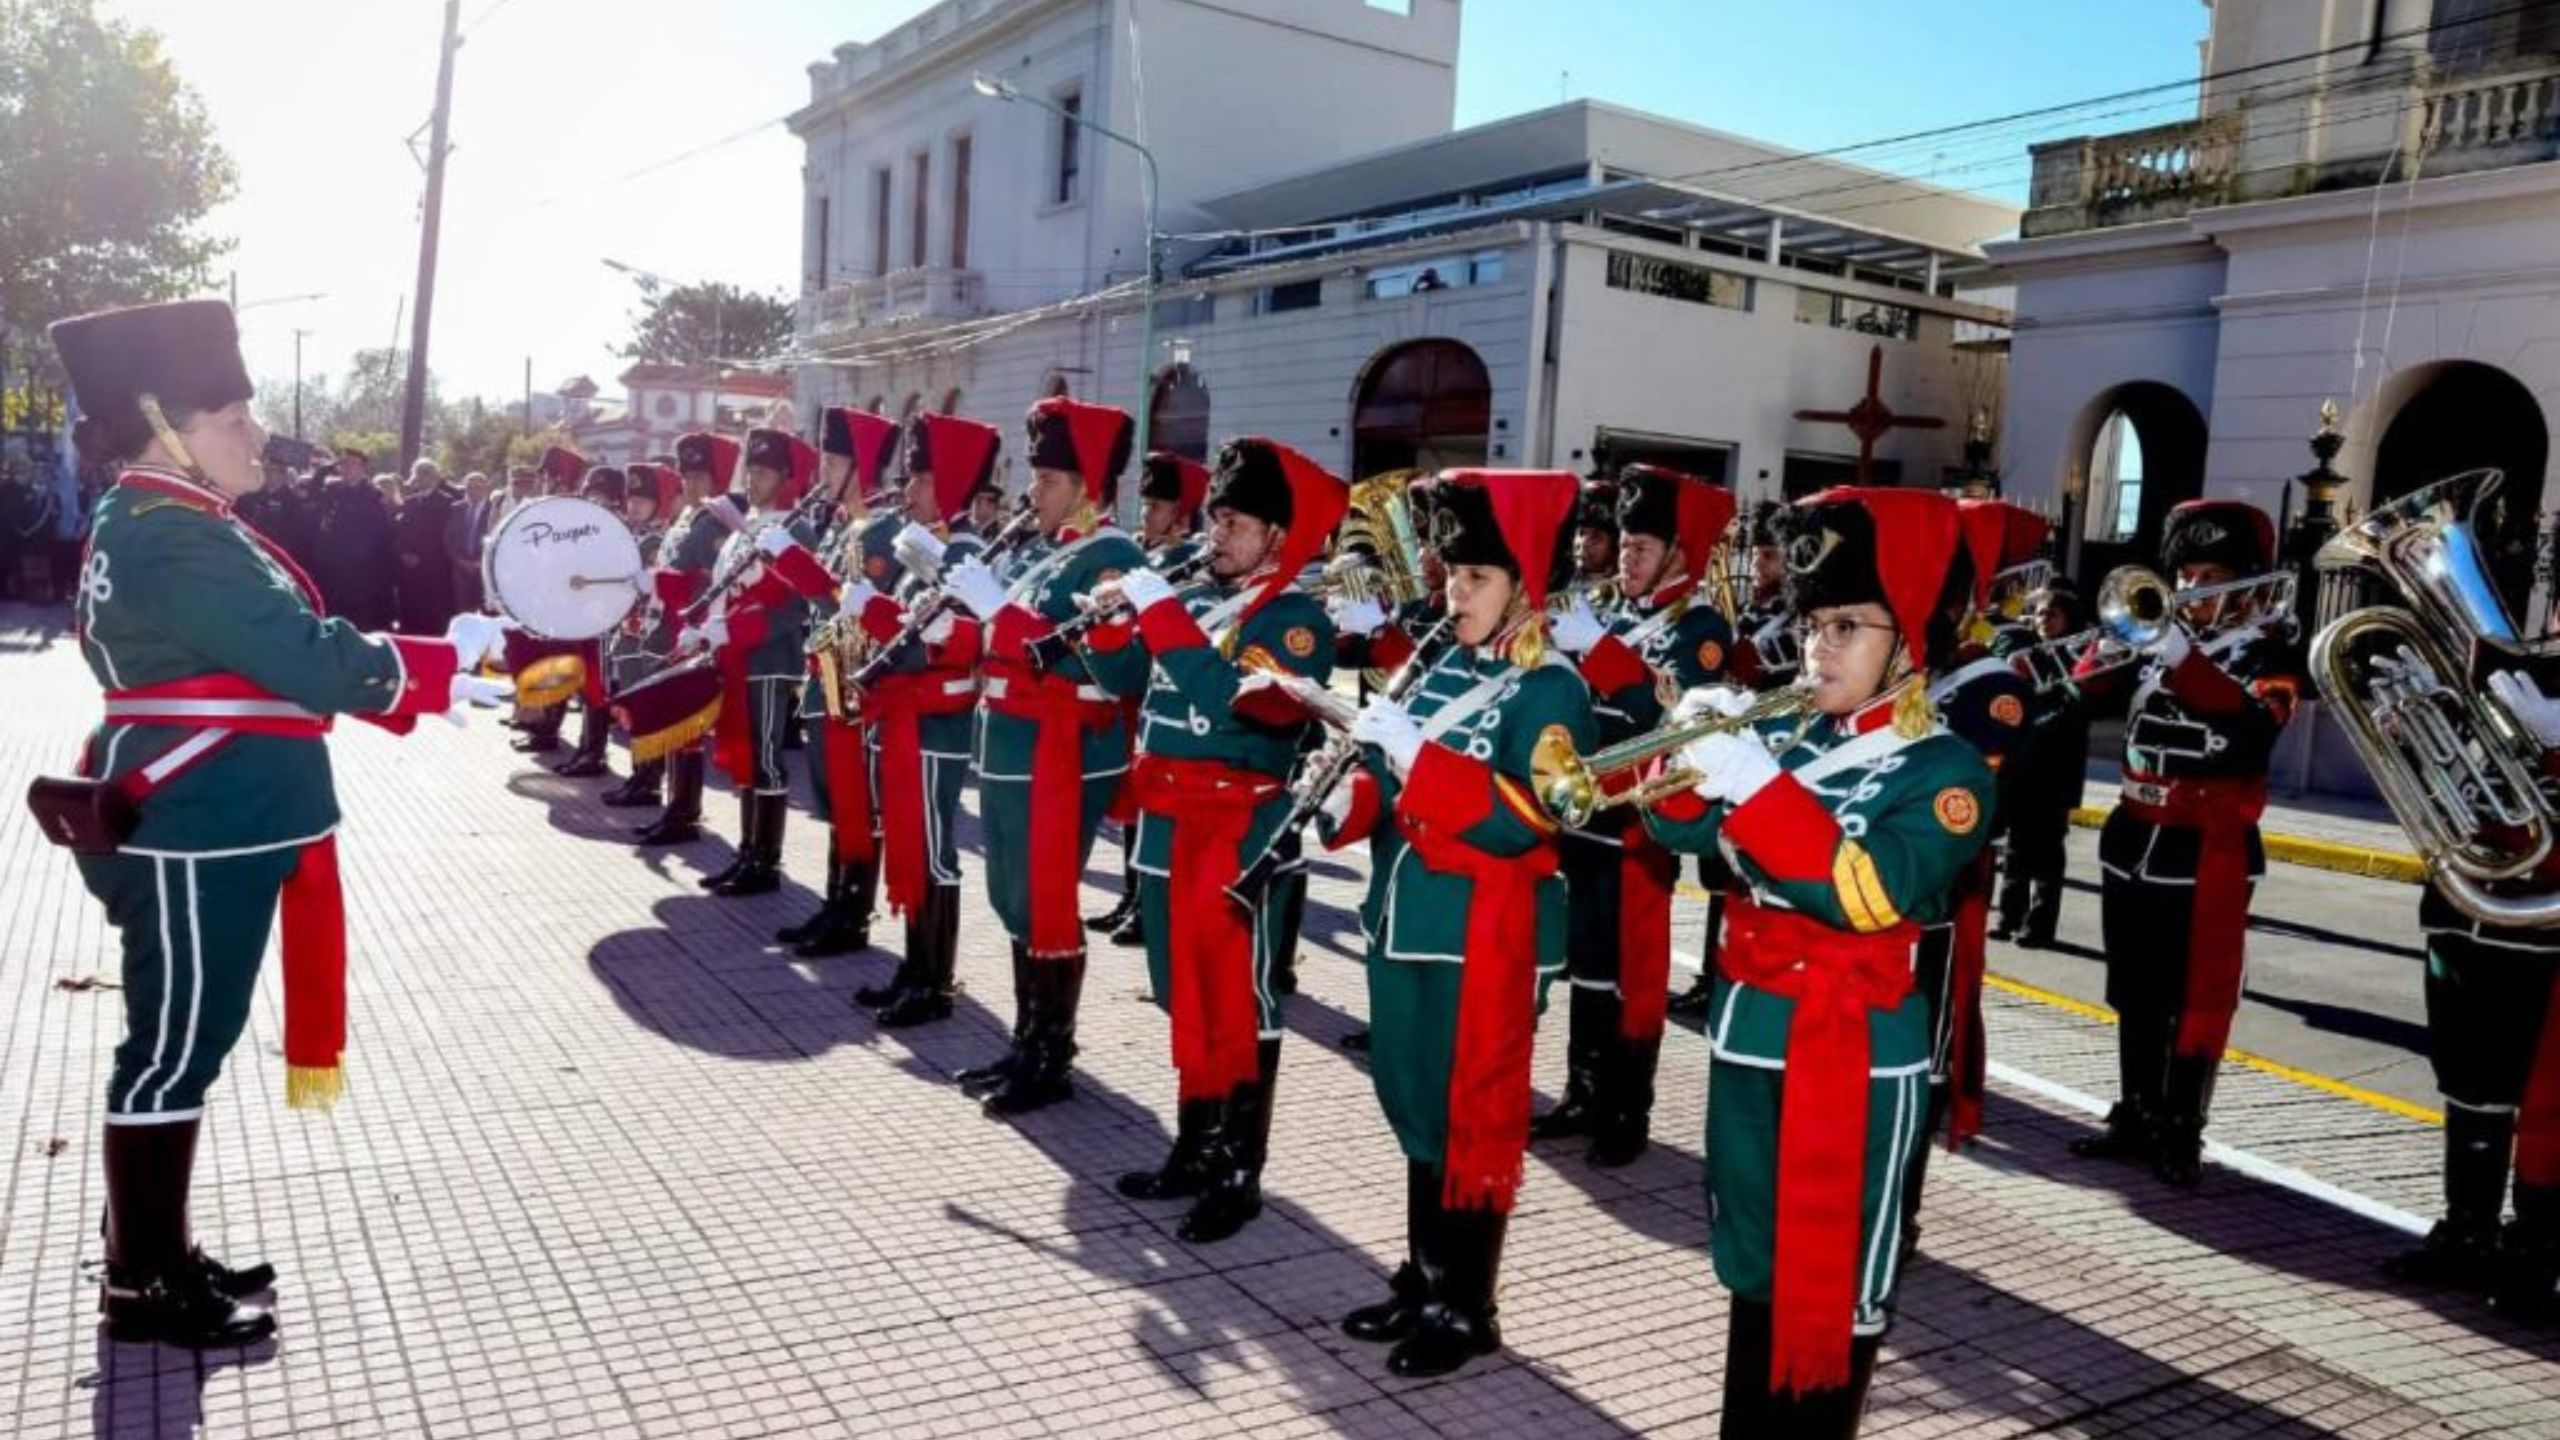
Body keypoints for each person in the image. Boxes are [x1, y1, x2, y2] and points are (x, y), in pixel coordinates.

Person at [44, 299, 511, 1348]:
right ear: (167, 425)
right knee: (174, 1051)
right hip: (202, 820)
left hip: (212, 817)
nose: (259, 438)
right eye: (236, 419)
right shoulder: (170, 534)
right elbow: (297, 654)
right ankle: (142, 1282)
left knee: (178, 1045)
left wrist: (425, 662)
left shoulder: (168, 520)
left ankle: (153, 1246)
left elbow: (284, 643)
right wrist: (432, 665)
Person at [1641, 487, 1991, 1436]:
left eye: (1847, 625)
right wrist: (1690, 744)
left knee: (1836, 1273)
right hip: (1753, 1029)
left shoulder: (1944, 769)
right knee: (1751, 1258)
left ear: (1909, 636)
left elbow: (1865, 891)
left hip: (1853, 1049)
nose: (1818, 649)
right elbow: (1685, 837)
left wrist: (1754, 784)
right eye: (1809, 623)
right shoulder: (1792, 735)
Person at [1317, 468, 1593, 1379]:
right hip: (1406, 914)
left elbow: (1529, 818)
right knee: (1411, 1101)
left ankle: (1467, 1302)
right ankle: (1424, 1271)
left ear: (1523, 586)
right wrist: (1343, 799)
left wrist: (1416, 763)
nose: (1452, 594)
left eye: (1475, 579)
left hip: (1484, 930)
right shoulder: (1440, 663)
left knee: (1467, 1110)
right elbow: (1398, 789)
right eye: (1449, 576)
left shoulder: (1548, 690)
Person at [1104, 437, 1344, 1243]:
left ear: (1277, 536)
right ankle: (1195, 1145)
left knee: (1243, 998)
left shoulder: (1297, 622)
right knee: (1181, 990)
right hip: (1170, 820)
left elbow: (1224, 705)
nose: (1216, 532)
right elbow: (1123, 683)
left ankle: (1240, 1168)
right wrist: (1107, 626)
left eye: (1233, 521)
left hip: (1243, 832)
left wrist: (1159, 613)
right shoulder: (1206, 603)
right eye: (1216, 517)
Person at [2070, 499, 2300, 1190]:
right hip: (2133, 838)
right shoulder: (2156, 639)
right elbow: (2085, 697)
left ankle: (2181, 1127)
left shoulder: (2268, 651)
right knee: (2133, 989)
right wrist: (2109, 645)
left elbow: (2251, 733)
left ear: (2248, 584)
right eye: (2187, 573)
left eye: (2212, 574)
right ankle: (2135, 1112)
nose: (2196, 589)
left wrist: (2178, 655)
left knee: (2192, 995)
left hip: (2204, 847)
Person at [938, 395, 1149, 1114]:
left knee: (1047, 898)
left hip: (1063, 748)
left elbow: (1108, 666)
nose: (1033, 490)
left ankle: (1053, 1055)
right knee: (1013, 897)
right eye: (1035, 476)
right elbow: (999, 643)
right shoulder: (1040, 553)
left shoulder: (1115, 557)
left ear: (1090, 488)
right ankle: (1027, 1039)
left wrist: (1000, 610)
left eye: (1051, 478)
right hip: (1007, 740)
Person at [1540, 463, 1735, 1168]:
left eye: (1643, 546)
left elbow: (1677, 712)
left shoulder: (1702, 625)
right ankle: (1583, 1092)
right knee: (1587, 964)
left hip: (1637, 826)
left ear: (1680, 553)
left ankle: (1628, 1110)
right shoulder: (1610, 609)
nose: (1626, 555)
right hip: (1581, 811)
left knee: (1634, 970)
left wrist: (1597, 648)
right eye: (1623, 543)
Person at [1898, 499, 2043, 1238]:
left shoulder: (1995, 687)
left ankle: (1903, 1210)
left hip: (1940, 894)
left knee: (1915, 1060)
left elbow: (1965, 801)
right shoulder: (1911, 666)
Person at [844, 410, 1001, 1014]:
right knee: (911, 841)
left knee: (933, 847)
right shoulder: (927, 545)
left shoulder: (963, 550)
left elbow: (958, 639)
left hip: (936, 721)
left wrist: (877, 613)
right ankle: (914, 968)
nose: (906, 490)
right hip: (908, 717)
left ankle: (933, 982)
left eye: (920, 479)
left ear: (951, 485)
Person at [775, 407, 904, 958]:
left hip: (856, 684)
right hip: (824, 677)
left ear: (862, 467)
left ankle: (853, 911)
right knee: (832, 797)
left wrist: (807, 573)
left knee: (856, 800)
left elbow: (858, 608)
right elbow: (823, 602)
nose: (822, 471)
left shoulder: (883, 532)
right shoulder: (841, 527)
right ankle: (835, 902)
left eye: (833, 461)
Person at [684, 428, 824, 897]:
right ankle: (746, 850)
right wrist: (707, 629)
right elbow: (725, 589)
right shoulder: (749, 525)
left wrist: (740, 630)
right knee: (746, 754)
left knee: (765, 756)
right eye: (753, 470)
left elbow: (797, 605)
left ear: (785, 475)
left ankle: (766, 859)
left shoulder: (795, 526)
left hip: (768, 655)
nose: (755, 479)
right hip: (736, 653)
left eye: (763, 471)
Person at [1087, 451, 1217, 945]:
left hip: (1156, 687)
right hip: (1133, 686)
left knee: (1147, 800)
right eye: (1145, 504)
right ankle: (1131, 895)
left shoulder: (1185, 559)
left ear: (1182, 514)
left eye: (1159, 505)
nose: (1148, 514)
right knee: (1130, 799)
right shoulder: (1146, 552)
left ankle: (1145, 902)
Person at [630, 434, 743, 843]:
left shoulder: (718, 522)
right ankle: (674, 805)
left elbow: (719, 581)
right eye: (686, 475)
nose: (690, 485)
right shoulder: (688, 518)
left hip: (693, 632)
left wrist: (669, 583)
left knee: (687, 726)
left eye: (699, 476)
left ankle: (685, 811)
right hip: (670, 629)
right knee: (673, 721)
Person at [1992, 582, 2091, 947]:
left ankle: (2040, 925)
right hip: (2023, 764)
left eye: (2051, 614)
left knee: (2048, 852)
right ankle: (2007, 917)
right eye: (2038, 613)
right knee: (2016, 847)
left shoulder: (2081, 654)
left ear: (2069, 618)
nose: (2041, 620)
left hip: (2057, 766)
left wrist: (2041, 716)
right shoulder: (2025, 651)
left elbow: (2080, 704)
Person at [307, 447, 397, 629]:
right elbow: (313, 494)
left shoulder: (373, 495)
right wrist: (325, 469)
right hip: (334, 567)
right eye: (343, 464)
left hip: (361, 572)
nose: (345, 469)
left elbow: (379, 535)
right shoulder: (334, 490)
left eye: (350, 464)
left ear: (362, 468)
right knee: (334, 614)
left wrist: (356, 557)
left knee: (360, 619)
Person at [393, 459, 462, 635]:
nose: (422, 478)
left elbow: (446, 536)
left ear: (435, 477)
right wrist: (404, 553)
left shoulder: (447, 502)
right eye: (419, 473)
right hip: (409, 569)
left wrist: (422, 557)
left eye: (427, 473)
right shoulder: (409, 502)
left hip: (435, 568)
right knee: (410, 614)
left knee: (435, 616)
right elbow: (400, 532)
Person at [444, 469, 493, 617]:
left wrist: (479, 562)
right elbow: (448, 537)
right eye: (469, 487)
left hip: (484, 569)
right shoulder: (456, 508)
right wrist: (459, 560)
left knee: (485, 611)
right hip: (460, 569)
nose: (473, 491)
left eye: (478, 487)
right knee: (463, 611)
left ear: (486, 489)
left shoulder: (493, 510)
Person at [1570, 477, 1619, 606]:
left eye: (1596, 537)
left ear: (1616, 546)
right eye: (1581, 533)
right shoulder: (1558, 586)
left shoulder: (1622, 600)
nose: (1583, 543)